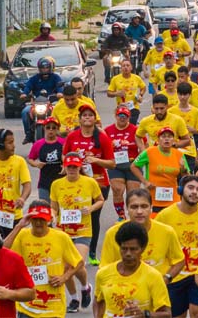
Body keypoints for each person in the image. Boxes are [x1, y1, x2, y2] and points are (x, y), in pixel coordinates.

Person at [156, 176, 198, 318]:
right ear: (180, 190)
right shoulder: (165, 216)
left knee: (197, 312)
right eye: (190, 188)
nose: (194, 192)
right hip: (174, 276)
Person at [4, 201, 83, 318]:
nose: (38, 223)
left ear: (49, 219)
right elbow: (2, 252)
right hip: (27, 306)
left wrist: (64, 277)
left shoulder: (61, 237)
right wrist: (19, 226)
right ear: (29, 219)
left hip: (53, 307)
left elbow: (79, 262)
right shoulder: (21, 235)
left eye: (42, 219)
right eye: (35, 219)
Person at [49, 152, 103, 311]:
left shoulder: (90, 182)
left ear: (80, 167)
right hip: (63, 230)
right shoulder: (56, 184)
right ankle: (73, 299)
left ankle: (85, 287)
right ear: (64, 167)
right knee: (65, 267)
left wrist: (91, 208)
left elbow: (100, 200)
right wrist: (53, 216)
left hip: (83, 231)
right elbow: (53, 206)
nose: (72, 169)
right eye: (69, 166)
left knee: (77, 263)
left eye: (75, 167)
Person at [62, 104, 115, 265]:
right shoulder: (72, 136)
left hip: (98, 184)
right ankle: (72, 249)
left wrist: (96, 160)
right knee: (75, 215)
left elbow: (112, 163)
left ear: (94, 118)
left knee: (92, 217)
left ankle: (91, 252)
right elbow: (64, 156)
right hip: (76, 183)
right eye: (84, 115)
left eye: (90, 115)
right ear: (79, 119)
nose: (87, 118)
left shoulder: (102, 137)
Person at [93, 221, 172, 317]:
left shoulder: (154, 276)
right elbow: (98, 302)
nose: (128, 254)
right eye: (124, 249)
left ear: (142, 249)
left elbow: (167, 314)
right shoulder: (103, 274)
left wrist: (145, 315)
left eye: (133, 249)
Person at [131, 127, 189, 212]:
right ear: (158, 140)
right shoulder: (149, 152)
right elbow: (133, 166)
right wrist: (145, 182)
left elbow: (186, 177)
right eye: (163, 136)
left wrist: (183, 169)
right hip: (153, 196)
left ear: (174, 140)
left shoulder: (179, 154)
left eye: (169, 137)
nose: (166, 139)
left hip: (172, 197)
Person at [104, 106, 141, 220]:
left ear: (129, 117)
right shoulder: (108, 131)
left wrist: (137, 161)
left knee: (133, 193)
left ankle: (133, 215)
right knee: (117, 189)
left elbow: (144, 149)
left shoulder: (136, 130)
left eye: (125, 116)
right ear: (116, 116)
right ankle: (121, 215)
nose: (122, 118)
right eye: (120, 116)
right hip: (116, 165)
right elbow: (103, 148)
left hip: (132, 164)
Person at [20, 57, 64, 143]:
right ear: (39, 68)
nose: (45, 70)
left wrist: (60, 93)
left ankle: (60, 131)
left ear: (51, 67)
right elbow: (28, 86)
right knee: (25, 112)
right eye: (43, 68)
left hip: (51, 103)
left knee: (59, 111)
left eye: (47, 67)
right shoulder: (35, 78)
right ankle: (28, 134)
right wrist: (24, 93)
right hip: (36, 103)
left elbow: (60, 86)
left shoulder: (55, 77)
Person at [26, 116, 65, 201]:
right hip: (44, 182)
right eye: (48, 127)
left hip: (61, 181)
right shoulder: (38, 144)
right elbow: (30, 158)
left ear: (57, 129)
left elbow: (70, 156)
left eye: (54, 128)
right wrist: (36, 164)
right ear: (44, 128)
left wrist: (65, 165)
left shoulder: (63, 142)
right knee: (45, 208)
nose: (51, 130)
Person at [107, 58, 147, 124]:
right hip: (121, 107)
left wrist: (140, 95)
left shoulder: (136, 78)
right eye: (124, 66)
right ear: (121, 68)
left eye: (128, 65)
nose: (126, 67)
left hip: (134, 107)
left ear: (131, 67)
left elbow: (143, 87)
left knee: (131, 125)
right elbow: (109, 93)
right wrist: (116, 93)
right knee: (122, 126)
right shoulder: (115, 79)